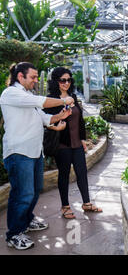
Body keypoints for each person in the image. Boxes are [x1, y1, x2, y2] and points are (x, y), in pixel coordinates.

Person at [0, 62, 74, 250]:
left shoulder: (28, 96)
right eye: (32, 77)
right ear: (20, 77)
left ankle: (26, 220)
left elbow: (44, 118)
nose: (35, 80)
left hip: (34, 152)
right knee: (22, 193)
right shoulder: (11, 94)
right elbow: (41, 102)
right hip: (19, 152)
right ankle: (14, 234)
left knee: (34, 190)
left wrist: (60, 117)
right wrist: (64, 100)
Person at [44, 67, 102, 220]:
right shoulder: (52, 99)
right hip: (62, 145)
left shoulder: (73, 97)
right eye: (63, 80)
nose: (66, 83)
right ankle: (65, 206)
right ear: (56, 81)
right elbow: (46, 121)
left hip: (77, 144)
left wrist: (83, 139)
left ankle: (87, 203)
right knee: (64, 175)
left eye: (69, 80)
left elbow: (80, 120)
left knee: (82, 173)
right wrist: (58, 121)